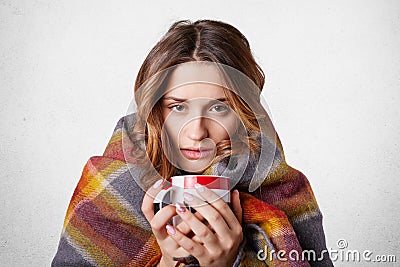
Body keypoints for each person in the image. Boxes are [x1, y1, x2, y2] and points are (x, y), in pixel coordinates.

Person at [52, 19, 333, 267]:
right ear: (154, 109)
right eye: (177, 107)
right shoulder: (111, 187)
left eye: (219, 108)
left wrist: (227, 263)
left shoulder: (283, 189)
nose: (197, 132)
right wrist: (167, 262)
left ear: (244, 113)